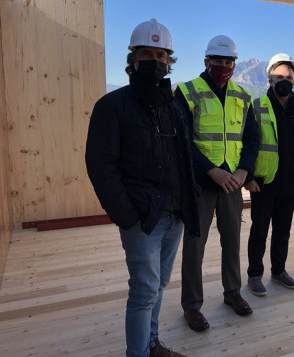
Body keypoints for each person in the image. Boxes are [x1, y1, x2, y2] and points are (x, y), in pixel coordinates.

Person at [85, 18, 198, 357]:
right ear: (132, 60)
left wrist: (190, 205)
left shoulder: (176, 106)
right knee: (144, 289)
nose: (155, 60)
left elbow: (186, 156)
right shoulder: (112, 106)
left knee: (158, 285)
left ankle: (151, 344)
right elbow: (100, 166)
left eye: (161, 54)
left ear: (169, 62)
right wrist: (127, 216)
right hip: (142, 218)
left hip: (175, 214)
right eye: (146, 53)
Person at [175, 35, 260, 332]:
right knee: (194, 245)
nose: (223, 66)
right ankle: (191, 306)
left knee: (232, 240)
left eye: (228, 62)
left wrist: (243, 172)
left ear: (234, 64)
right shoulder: (187, 92)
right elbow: (182, 140)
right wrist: (211, 170)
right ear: (206, 62)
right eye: (217, 61)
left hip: (232, 183)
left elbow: (252, 139)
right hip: (201, 181)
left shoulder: (242, 95)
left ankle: (233, 294)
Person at [245, 53, 294, 296]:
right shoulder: (256, 107)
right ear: (269, 80)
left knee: (283, 230)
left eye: (289, 77)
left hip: (290, 182)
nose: (284, 80)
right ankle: (255, 274)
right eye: (279, 77)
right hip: (264, 182)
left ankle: (279, 271)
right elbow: (247, 145)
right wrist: (248, 177)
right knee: (259, 230)